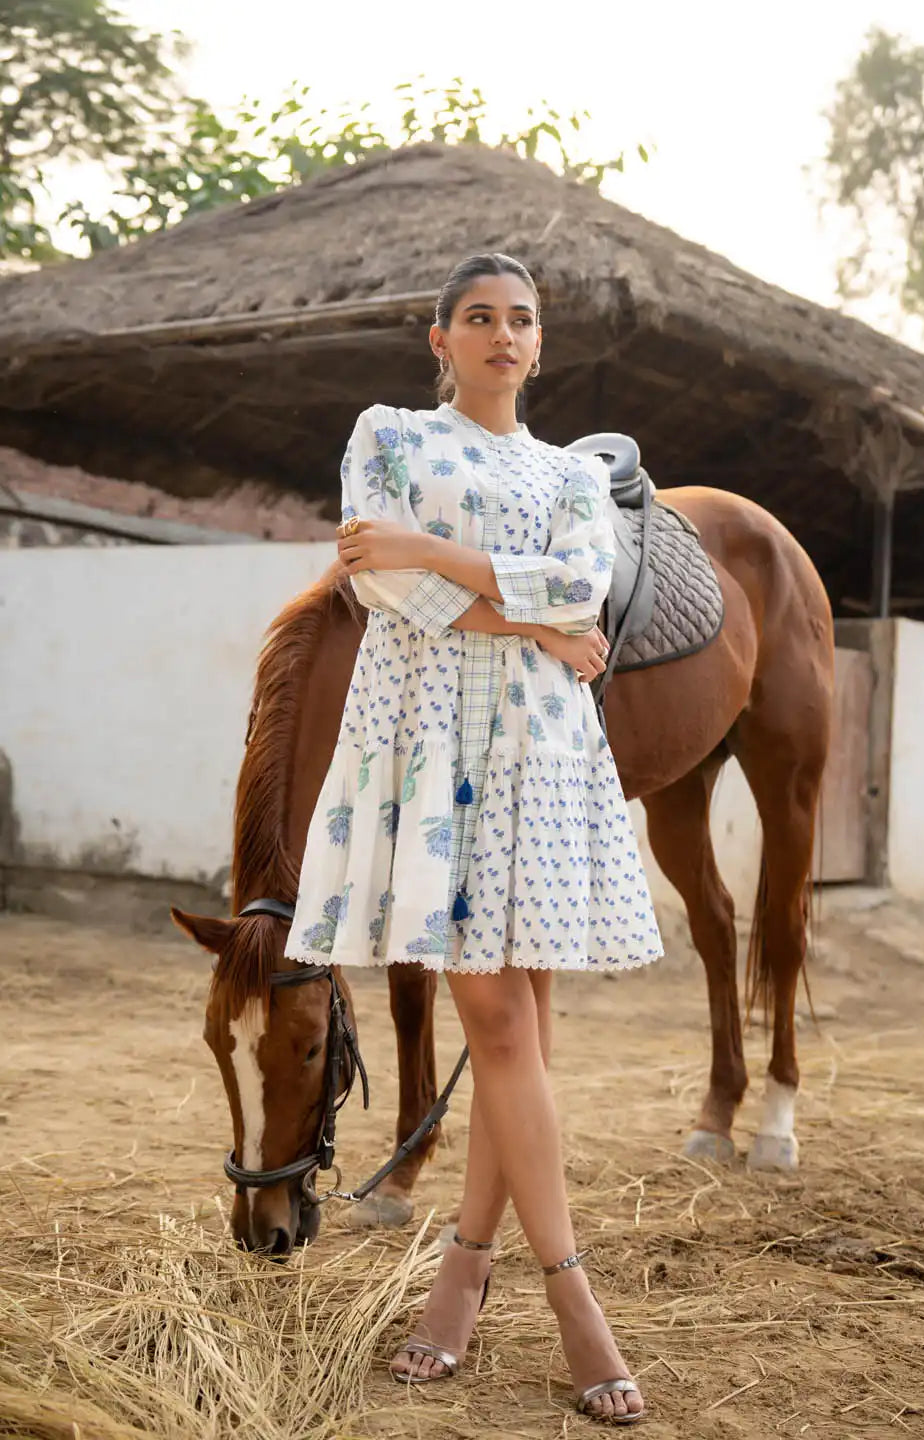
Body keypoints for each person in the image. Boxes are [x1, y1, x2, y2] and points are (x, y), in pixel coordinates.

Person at [285, 252, 662, 1424]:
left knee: (521, 1026)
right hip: (425, 732)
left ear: (540, 345)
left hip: (539, 750)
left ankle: (463, 1277)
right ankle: (574, 1302)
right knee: (498, 1017)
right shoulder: (388, 434)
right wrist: (525, 621)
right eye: (481, 319)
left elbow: (580, 587)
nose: (505, 336)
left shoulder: (569, 475)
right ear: (438, 338)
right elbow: (375, 580)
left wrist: (444, 557)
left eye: (524, 321)